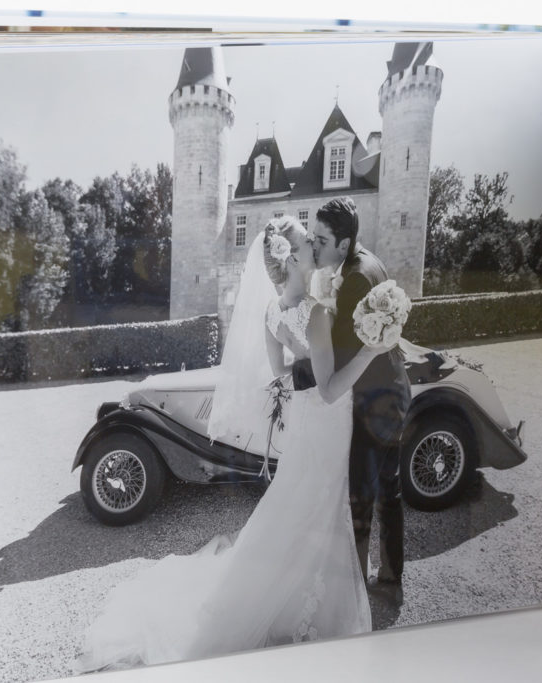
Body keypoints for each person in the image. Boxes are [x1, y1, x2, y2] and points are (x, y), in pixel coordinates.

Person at [76, 217, 395, 671]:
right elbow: (327, 386)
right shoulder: (319, 310)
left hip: (305, 420)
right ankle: (309, 602)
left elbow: (280, 370)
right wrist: (366, 349)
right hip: (325, 417)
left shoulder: (273, 312)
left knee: (298, 503)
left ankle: (288, 596)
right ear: (297, 260)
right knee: (319, 506)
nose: (316, 249)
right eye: (310, 245)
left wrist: (305, 362)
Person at [310, 196, 411, 604]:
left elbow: (341, 356)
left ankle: (353, 595)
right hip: (394, 390)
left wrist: (307, 358)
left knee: (361, 500)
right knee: (390, 489)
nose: (315, 246)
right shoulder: (368, 260)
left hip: (374, 402)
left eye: (321, 239)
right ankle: (390, 576)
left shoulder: (353, 279)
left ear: (343, 241)